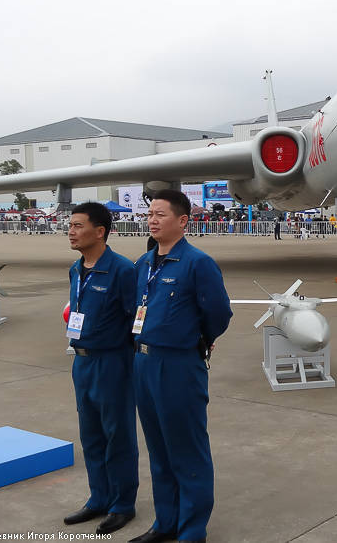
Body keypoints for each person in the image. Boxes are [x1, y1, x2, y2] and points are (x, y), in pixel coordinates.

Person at [129, 189, 232, 543]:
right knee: (158, 448)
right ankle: (165, 523)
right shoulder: (144, 264)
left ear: (183, 221)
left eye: (160, 214)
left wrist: (199, 339)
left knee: (187, 450)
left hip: (178, 365)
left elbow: (218, 313)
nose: (152, 220)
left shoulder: (197, 263)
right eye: (150, 214)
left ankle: (191, 530)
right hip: (142, 362)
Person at [63, 202, 139, 536]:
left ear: (100, 231)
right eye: (70, 225)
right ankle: (99, 497)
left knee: (117, 434)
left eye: (78, 226)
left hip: (112, 362)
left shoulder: (122, 270)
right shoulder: (75, 269)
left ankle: (122, 504)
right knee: (91, 435)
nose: (71, 231)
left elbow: (135, 319)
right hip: (82, 361)